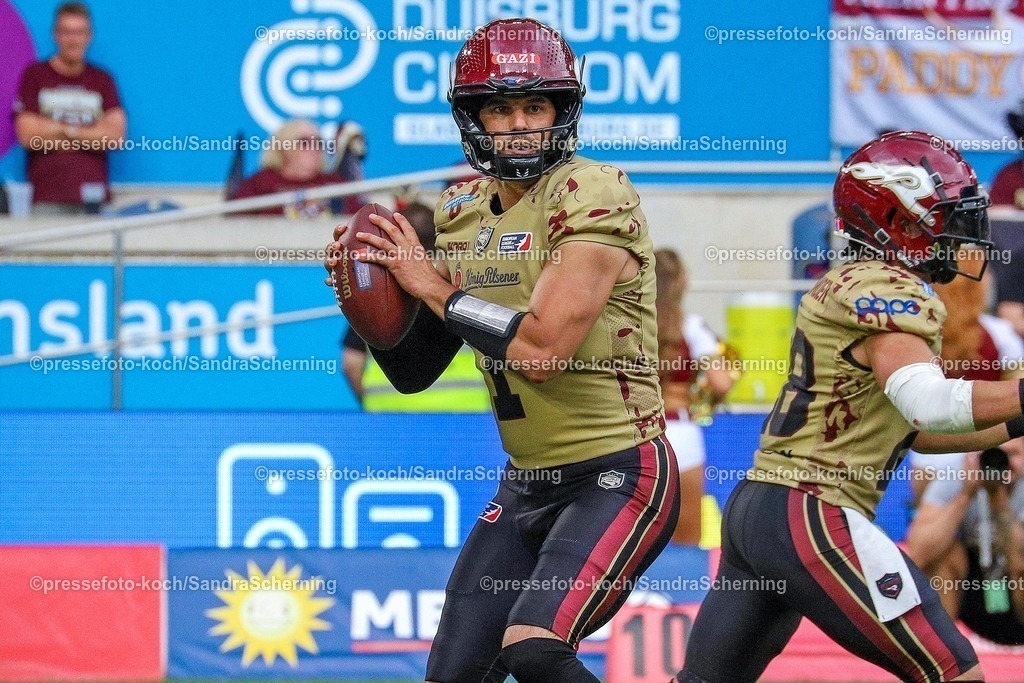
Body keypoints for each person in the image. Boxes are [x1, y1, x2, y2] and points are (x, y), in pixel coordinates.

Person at [324, 18, 678, 682]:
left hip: (618, 474)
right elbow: (414, 372)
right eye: (501, 107)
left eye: (534, 105)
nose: (519, 123)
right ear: (473, 118)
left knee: (534, 644)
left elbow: (544, 348)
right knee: (454, 672)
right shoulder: (461, 212)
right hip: (525, 484)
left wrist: (428, 281)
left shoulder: (591, 191)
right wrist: (370, 305)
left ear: (561, 112)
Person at [676, 131, 1024, 683]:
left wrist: (1012, 419)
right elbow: (930, 405)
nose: (960, 235)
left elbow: (911, 431)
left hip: (762, 509)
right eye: (945, 216)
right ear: (901, 220)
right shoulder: (889, 288)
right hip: (813, 511)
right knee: (955, 673)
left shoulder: (855, 281)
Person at [340, 202, 490, 412]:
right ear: (439, 240)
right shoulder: (465, 284)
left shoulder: (379, 295)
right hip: (467, 417)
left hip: (388, 415)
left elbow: (351, 363)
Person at [906, 442, 1024, 646]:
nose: (1000, 462)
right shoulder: (958, 476)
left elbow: (1019, 562)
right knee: (944, 554)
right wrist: (965, 495)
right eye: (993, 454)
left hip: (1016, 593)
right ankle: (943, 651)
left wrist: (999, 503)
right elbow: (917, 553)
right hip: (973, 592)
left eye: (1012, 454)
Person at [655, 248, 736, 545]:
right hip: (682, 432)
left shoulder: (631, 327)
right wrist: (697, 400)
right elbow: (722, 382)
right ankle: (683, 589)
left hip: (636, 436)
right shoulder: (691, 326)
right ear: (680, 282)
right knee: (688, 537)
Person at [13, 2, 125, 214]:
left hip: (95, 201)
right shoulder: (35, 76)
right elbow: (28, 136)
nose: (73, 40)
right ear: (55, 35)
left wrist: (62, 131)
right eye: (66, 32)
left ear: (89, 36)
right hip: (46, 200)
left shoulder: (102, 80)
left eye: (79, 32)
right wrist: (89, 135)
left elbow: (115, 137)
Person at [232, 119, 338, 218]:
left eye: (318, 142)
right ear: (283, 147)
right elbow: (236, 225)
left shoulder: (335, 184)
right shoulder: (260, 184)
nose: (314, 148)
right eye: (304, 142)